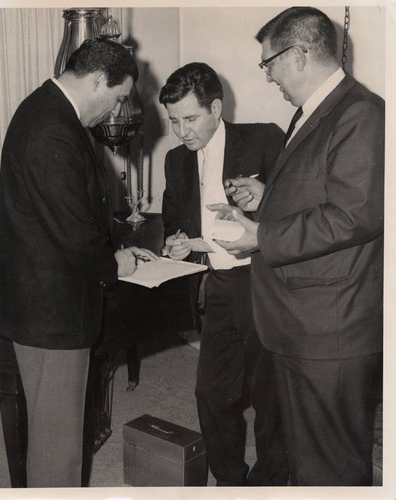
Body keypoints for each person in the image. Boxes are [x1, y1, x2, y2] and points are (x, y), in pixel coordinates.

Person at [212, 7, 384, 486]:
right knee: (309, 460)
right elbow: (326, 194)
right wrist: (268, 197)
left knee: (331, 468)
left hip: (330, 329)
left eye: (270, 64)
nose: (268, 77)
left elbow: (356, 213)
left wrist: (260, 235)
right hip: (300, 322)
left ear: (302, 54)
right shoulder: (314, 113)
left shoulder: (361, 112)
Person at [0, 38, 157, 487]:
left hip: (45, 305)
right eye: (118, 97)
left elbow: (69, 208)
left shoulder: (49, 112)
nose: (114, 112)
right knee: (58, 448)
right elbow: (72, 229)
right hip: (51, 314)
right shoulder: (52, 126)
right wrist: (116, 263)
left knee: (55, 437)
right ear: (95, 81)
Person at [159, 62, 289, 486]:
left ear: (216, 108)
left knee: (271, 397)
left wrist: (260, 204)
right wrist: (177, 242)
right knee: (212, 394)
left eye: (190, 119)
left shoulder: (264, 137)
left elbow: (298, 210)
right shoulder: (175, 161)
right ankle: (231, 483)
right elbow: (175, 224)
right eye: (174, 121)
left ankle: (268, 485)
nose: (182, 132)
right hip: (219, 286)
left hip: (264, 283)